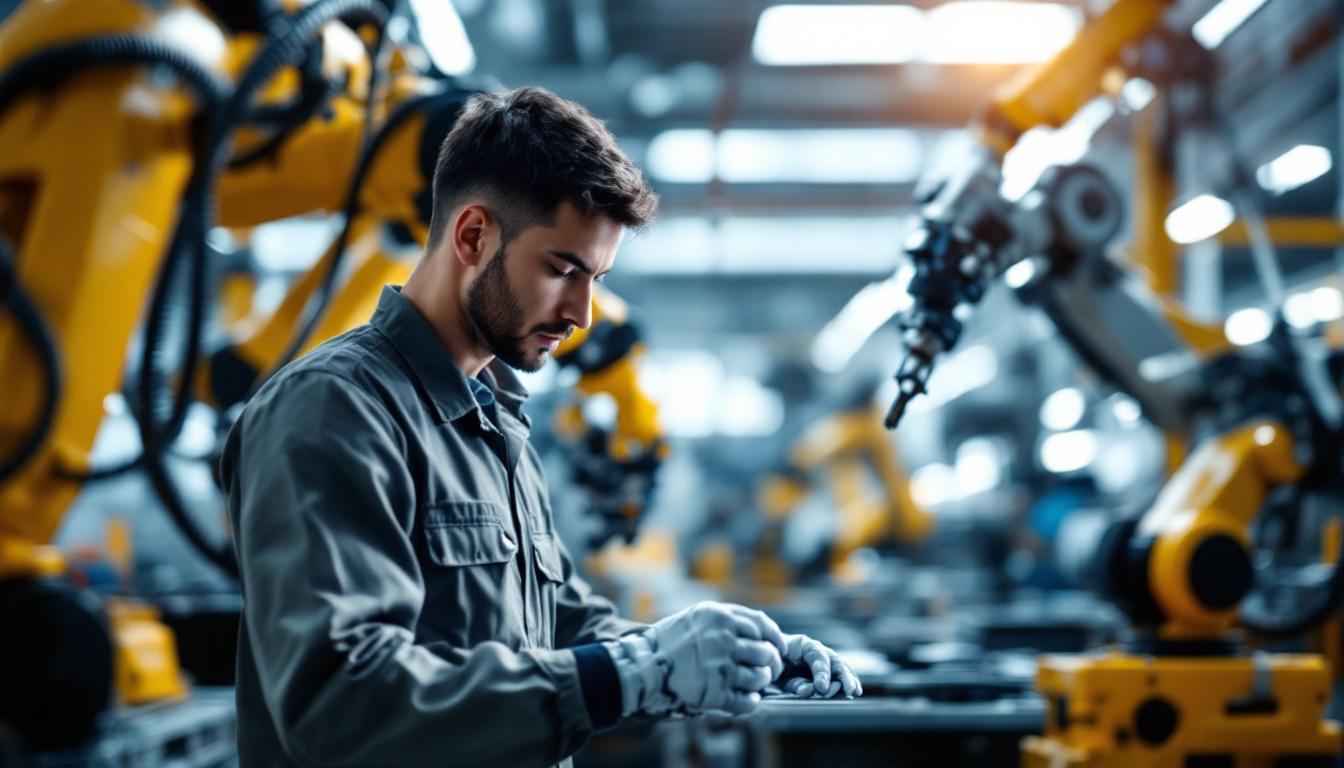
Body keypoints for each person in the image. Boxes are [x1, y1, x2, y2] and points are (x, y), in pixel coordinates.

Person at [220, 86, 861, 768]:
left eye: (598, 278)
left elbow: (553, 626)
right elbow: (339, 704)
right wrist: (632, 674)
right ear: (472, 236)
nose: (584, 312)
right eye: (563, 269)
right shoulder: (335, 410)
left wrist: (715, 657)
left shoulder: (495, 422)